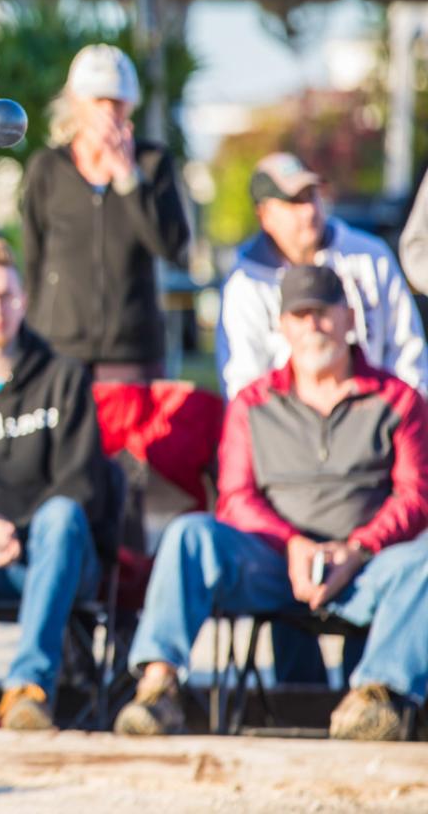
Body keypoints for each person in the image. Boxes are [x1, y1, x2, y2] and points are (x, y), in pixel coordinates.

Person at [115, 265, 428, 742]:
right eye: (299, 316)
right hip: (272, 563)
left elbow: (417, 496)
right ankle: (158, 688)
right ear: (282, 327)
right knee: (190, 535)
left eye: (323, 313)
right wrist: (293, 546)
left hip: (368, 569)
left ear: (349, 319)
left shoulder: (399, 400)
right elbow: (235, 498)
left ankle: (377, 695)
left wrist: (358, 548)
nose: (312, 327)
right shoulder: (252, 404)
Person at [0, 236, 114, 731]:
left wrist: (14, 530)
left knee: (61, 516)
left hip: (63, 555)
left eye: (6, 296)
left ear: (24, 300)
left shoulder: (64, 377)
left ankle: (29, 687)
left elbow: (80, 484)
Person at [21, 43, 191, 380]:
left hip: (131, 351)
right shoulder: (47, 167)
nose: (109, 111)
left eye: (118, 101)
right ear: (76, 103)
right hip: (59, 348)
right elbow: (33, 258)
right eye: (99, 100)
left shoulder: (153, 163)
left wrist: (128, 177)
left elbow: (172, 247)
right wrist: (31, 338)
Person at [218, 152, 426, 400]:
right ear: (264, 215)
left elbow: (408, 351)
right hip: (287, 428)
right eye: (293, 201)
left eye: (311, 195)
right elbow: (243, 383)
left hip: (379, 419)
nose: (308, 210)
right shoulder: (246, 283)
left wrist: (404, 414)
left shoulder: (370, 256)